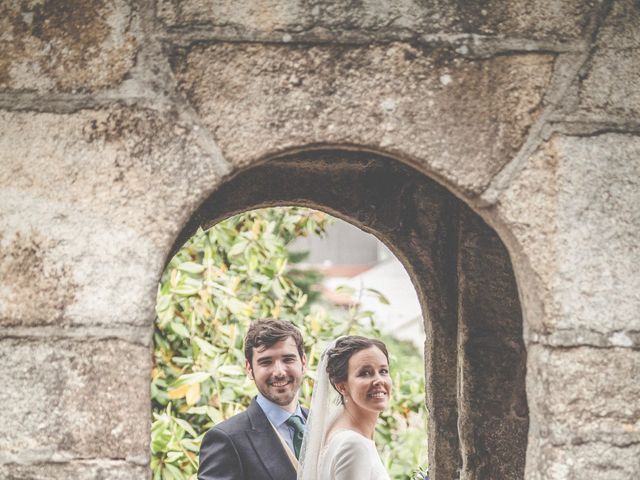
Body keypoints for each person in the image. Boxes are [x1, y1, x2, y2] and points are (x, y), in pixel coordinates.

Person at [198, 319, 308, 480]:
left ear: (303, 362)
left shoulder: (325, 425)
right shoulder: (226, 439)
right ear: (249, 369)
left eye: (288, 359)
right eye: (266, 362)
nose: (279, 372)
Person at [298, 336, 392, 480]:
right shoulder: (353, 445)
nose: (379, 380)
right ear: (342, 386)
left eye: (383, 371)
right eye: (365, 373)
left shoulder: (337, 428)